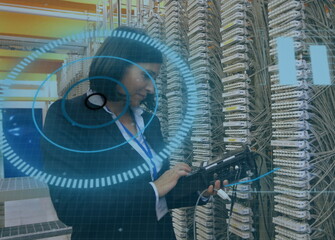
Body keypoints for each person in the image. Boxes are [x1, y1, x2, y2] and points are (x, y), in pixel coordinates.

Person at [41, 26, 226, 240]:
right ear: (117, 66)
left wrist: (198, 191)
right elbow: (71, 206)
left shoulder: (149, 122)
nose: (151, 88)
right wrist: (154, 188)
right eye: (146, 76)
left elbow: (159, 193)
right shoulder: (69, 116)